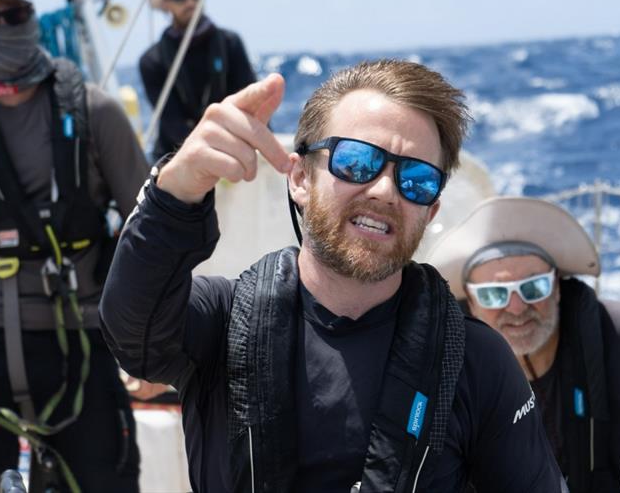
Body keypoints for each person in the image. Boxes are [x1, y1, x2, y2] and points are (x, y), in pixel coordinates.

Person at [101, 60, 565, 492]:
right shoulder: (219, 321)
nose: (385, 190)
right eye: (357, 162)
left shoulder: (477, 360)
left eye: (417, 181)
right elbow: (133, 335)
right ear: (300, 178)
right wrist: (176, 192)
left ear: (431, 211)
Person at [0, 0, 150, 492]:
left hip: (87, 343)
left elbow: (147, 230)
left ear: (33, 18)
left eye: (15, 15)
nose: (4, 27)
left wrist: (148, 343)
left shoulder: (97, 113)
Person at [425, 196, 620, 493]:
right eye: (493, 294)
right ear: (471, 303)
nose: (516, 308)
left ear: (556, 288)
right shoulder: (441, 377)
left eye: (533, 287)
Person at [139, 0, 257, 163]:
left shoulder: (230, 43)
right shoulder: (152, 61)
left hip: (232, 146)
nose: (190, 1)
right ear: (166, 5)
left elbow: (250, 99)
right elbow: (171, 121)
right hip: (176, 155)